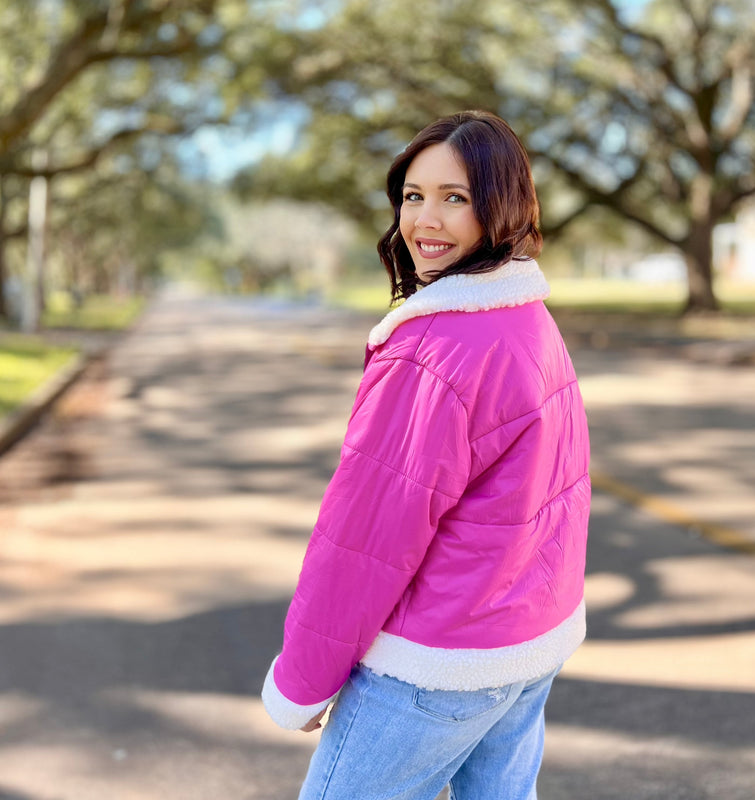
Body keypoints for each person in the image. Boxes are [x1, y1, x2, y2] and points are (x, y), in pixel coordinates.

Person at [262, 110, 591, 800]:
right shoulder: (526, 317)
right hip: (525, 647)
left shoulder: (433, 353)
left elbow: (360, 545)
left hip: (436, 666)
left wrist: (303, 679)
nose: (425, 222)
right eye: (414, 196)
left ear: (499, 205)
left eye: (456, 198)